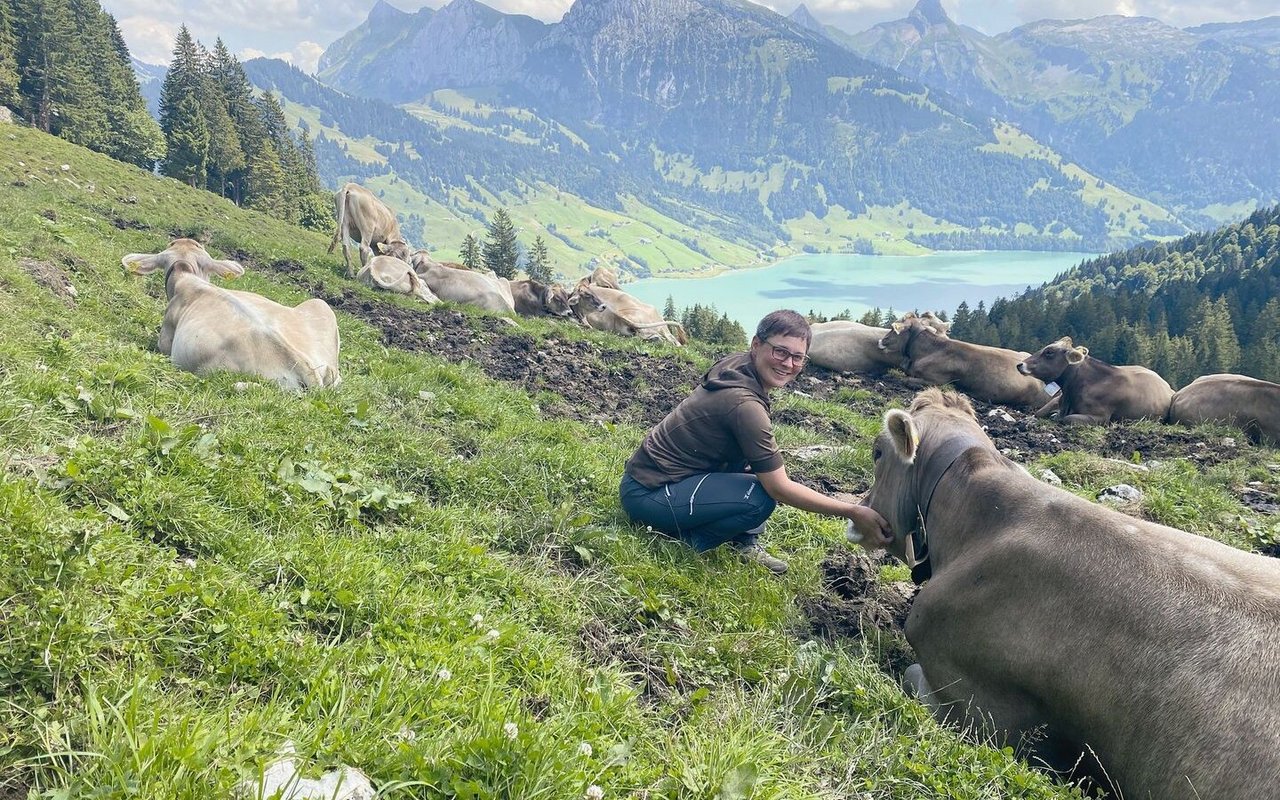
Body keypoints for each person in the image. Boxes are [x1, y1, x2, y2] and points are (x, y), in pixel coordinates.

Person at [619, 309, 893, 574]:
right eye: (780, 351)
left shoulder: (740, 366)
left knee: (759, 468)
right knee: (760, 496)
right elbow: (779, 489)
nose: (788, 364)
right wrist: (852, 511)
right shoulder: (744, 406)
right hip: (650, 494)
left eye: (798, 357)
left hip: (650, 480)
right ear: (756, 345)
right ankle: (687, 543)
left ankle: (744, 542)